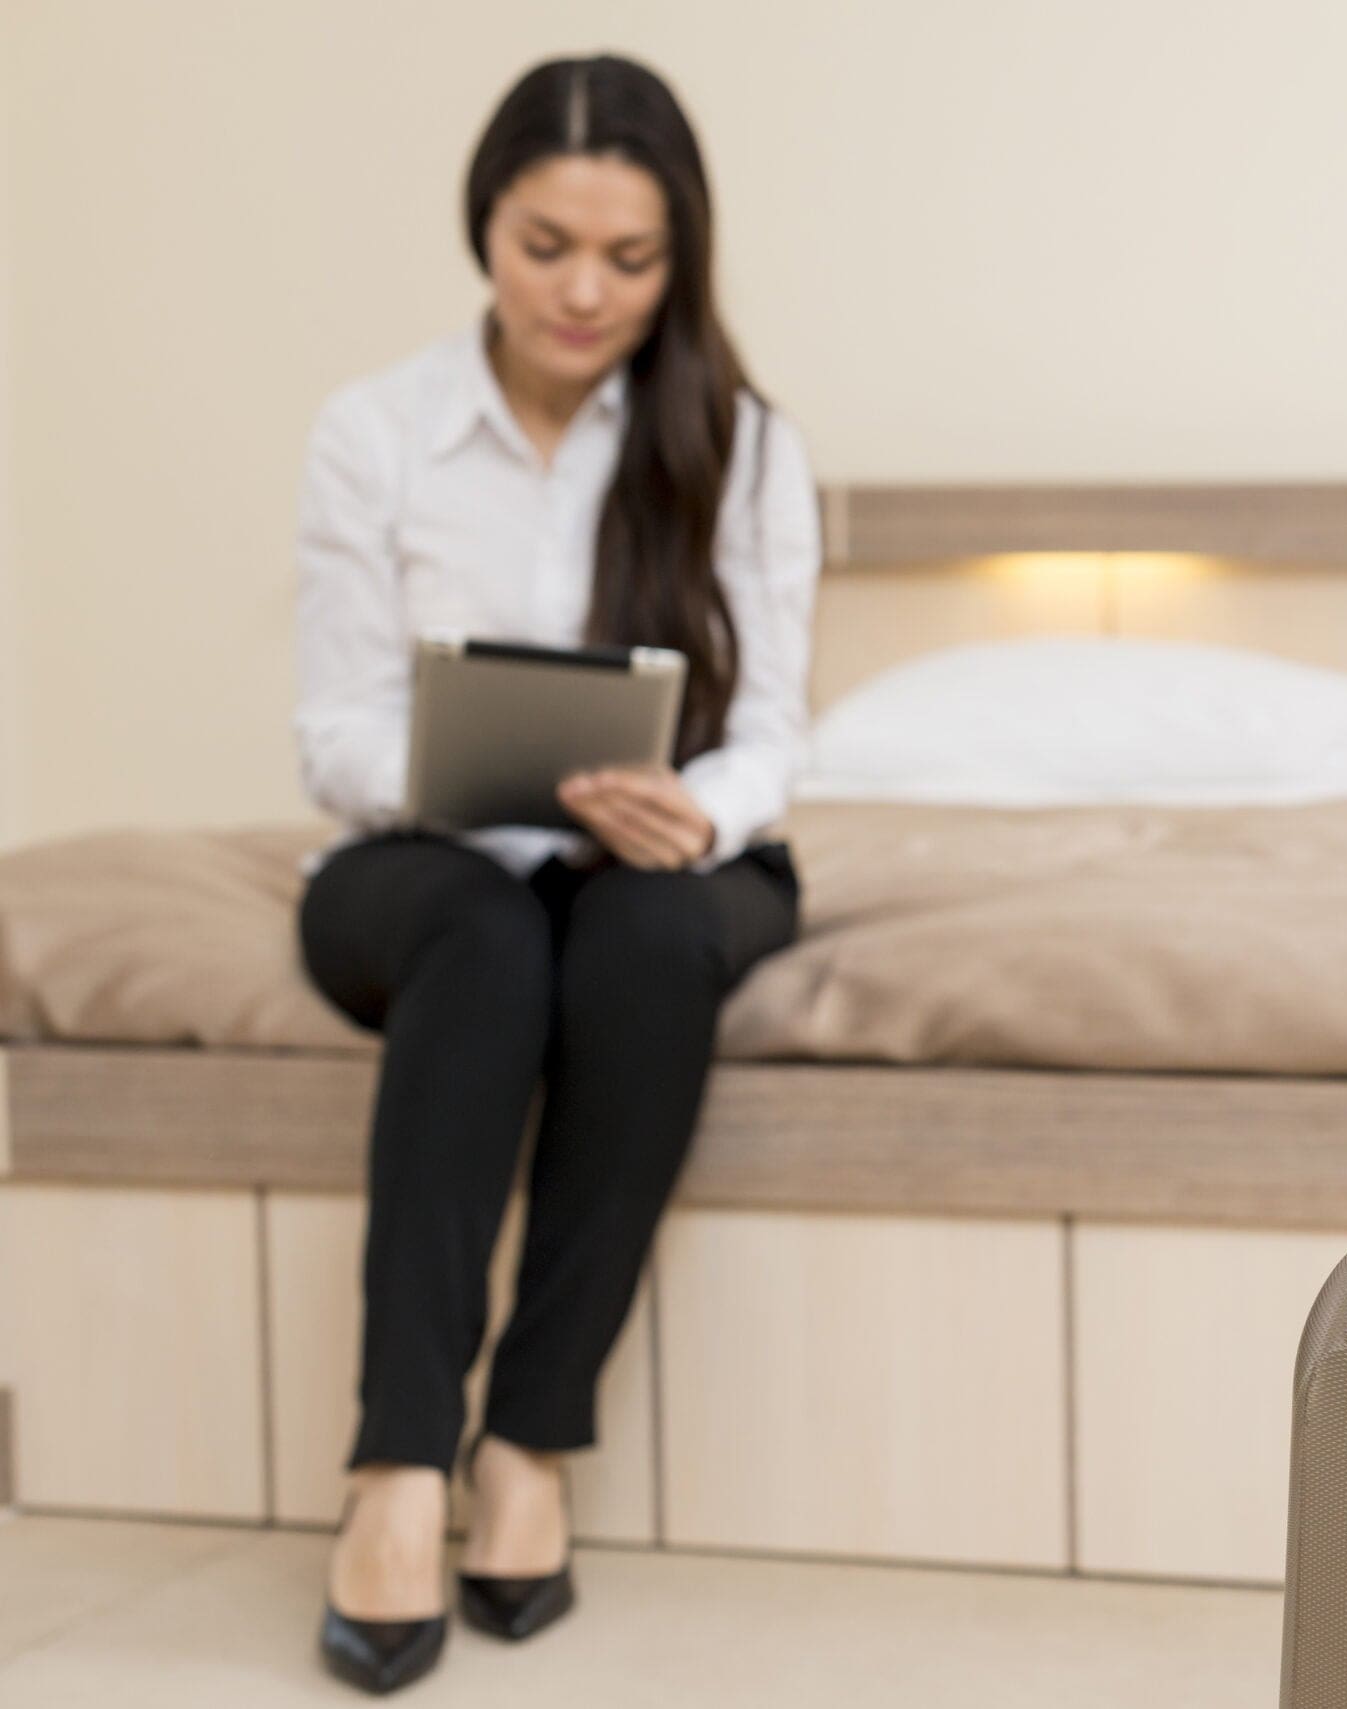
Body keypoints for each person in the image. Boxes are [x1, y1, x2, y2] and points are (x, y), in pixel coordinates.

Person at [292, 53, 818, 1695]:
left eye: (630, 258)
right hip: (426, 868)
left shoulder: (739, 444)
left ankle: (528, 1440)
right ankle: (396, 1463)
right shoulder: (374, 431)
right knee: (486, 926)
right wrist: (452, 774)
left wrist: (692, 808)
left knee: (644, 936)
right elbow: (334, 728)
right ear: (485, 225)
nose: (582, 291)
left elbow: (777, 731)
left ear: (682, 258)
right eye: (545, 246)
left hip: (655, 870)